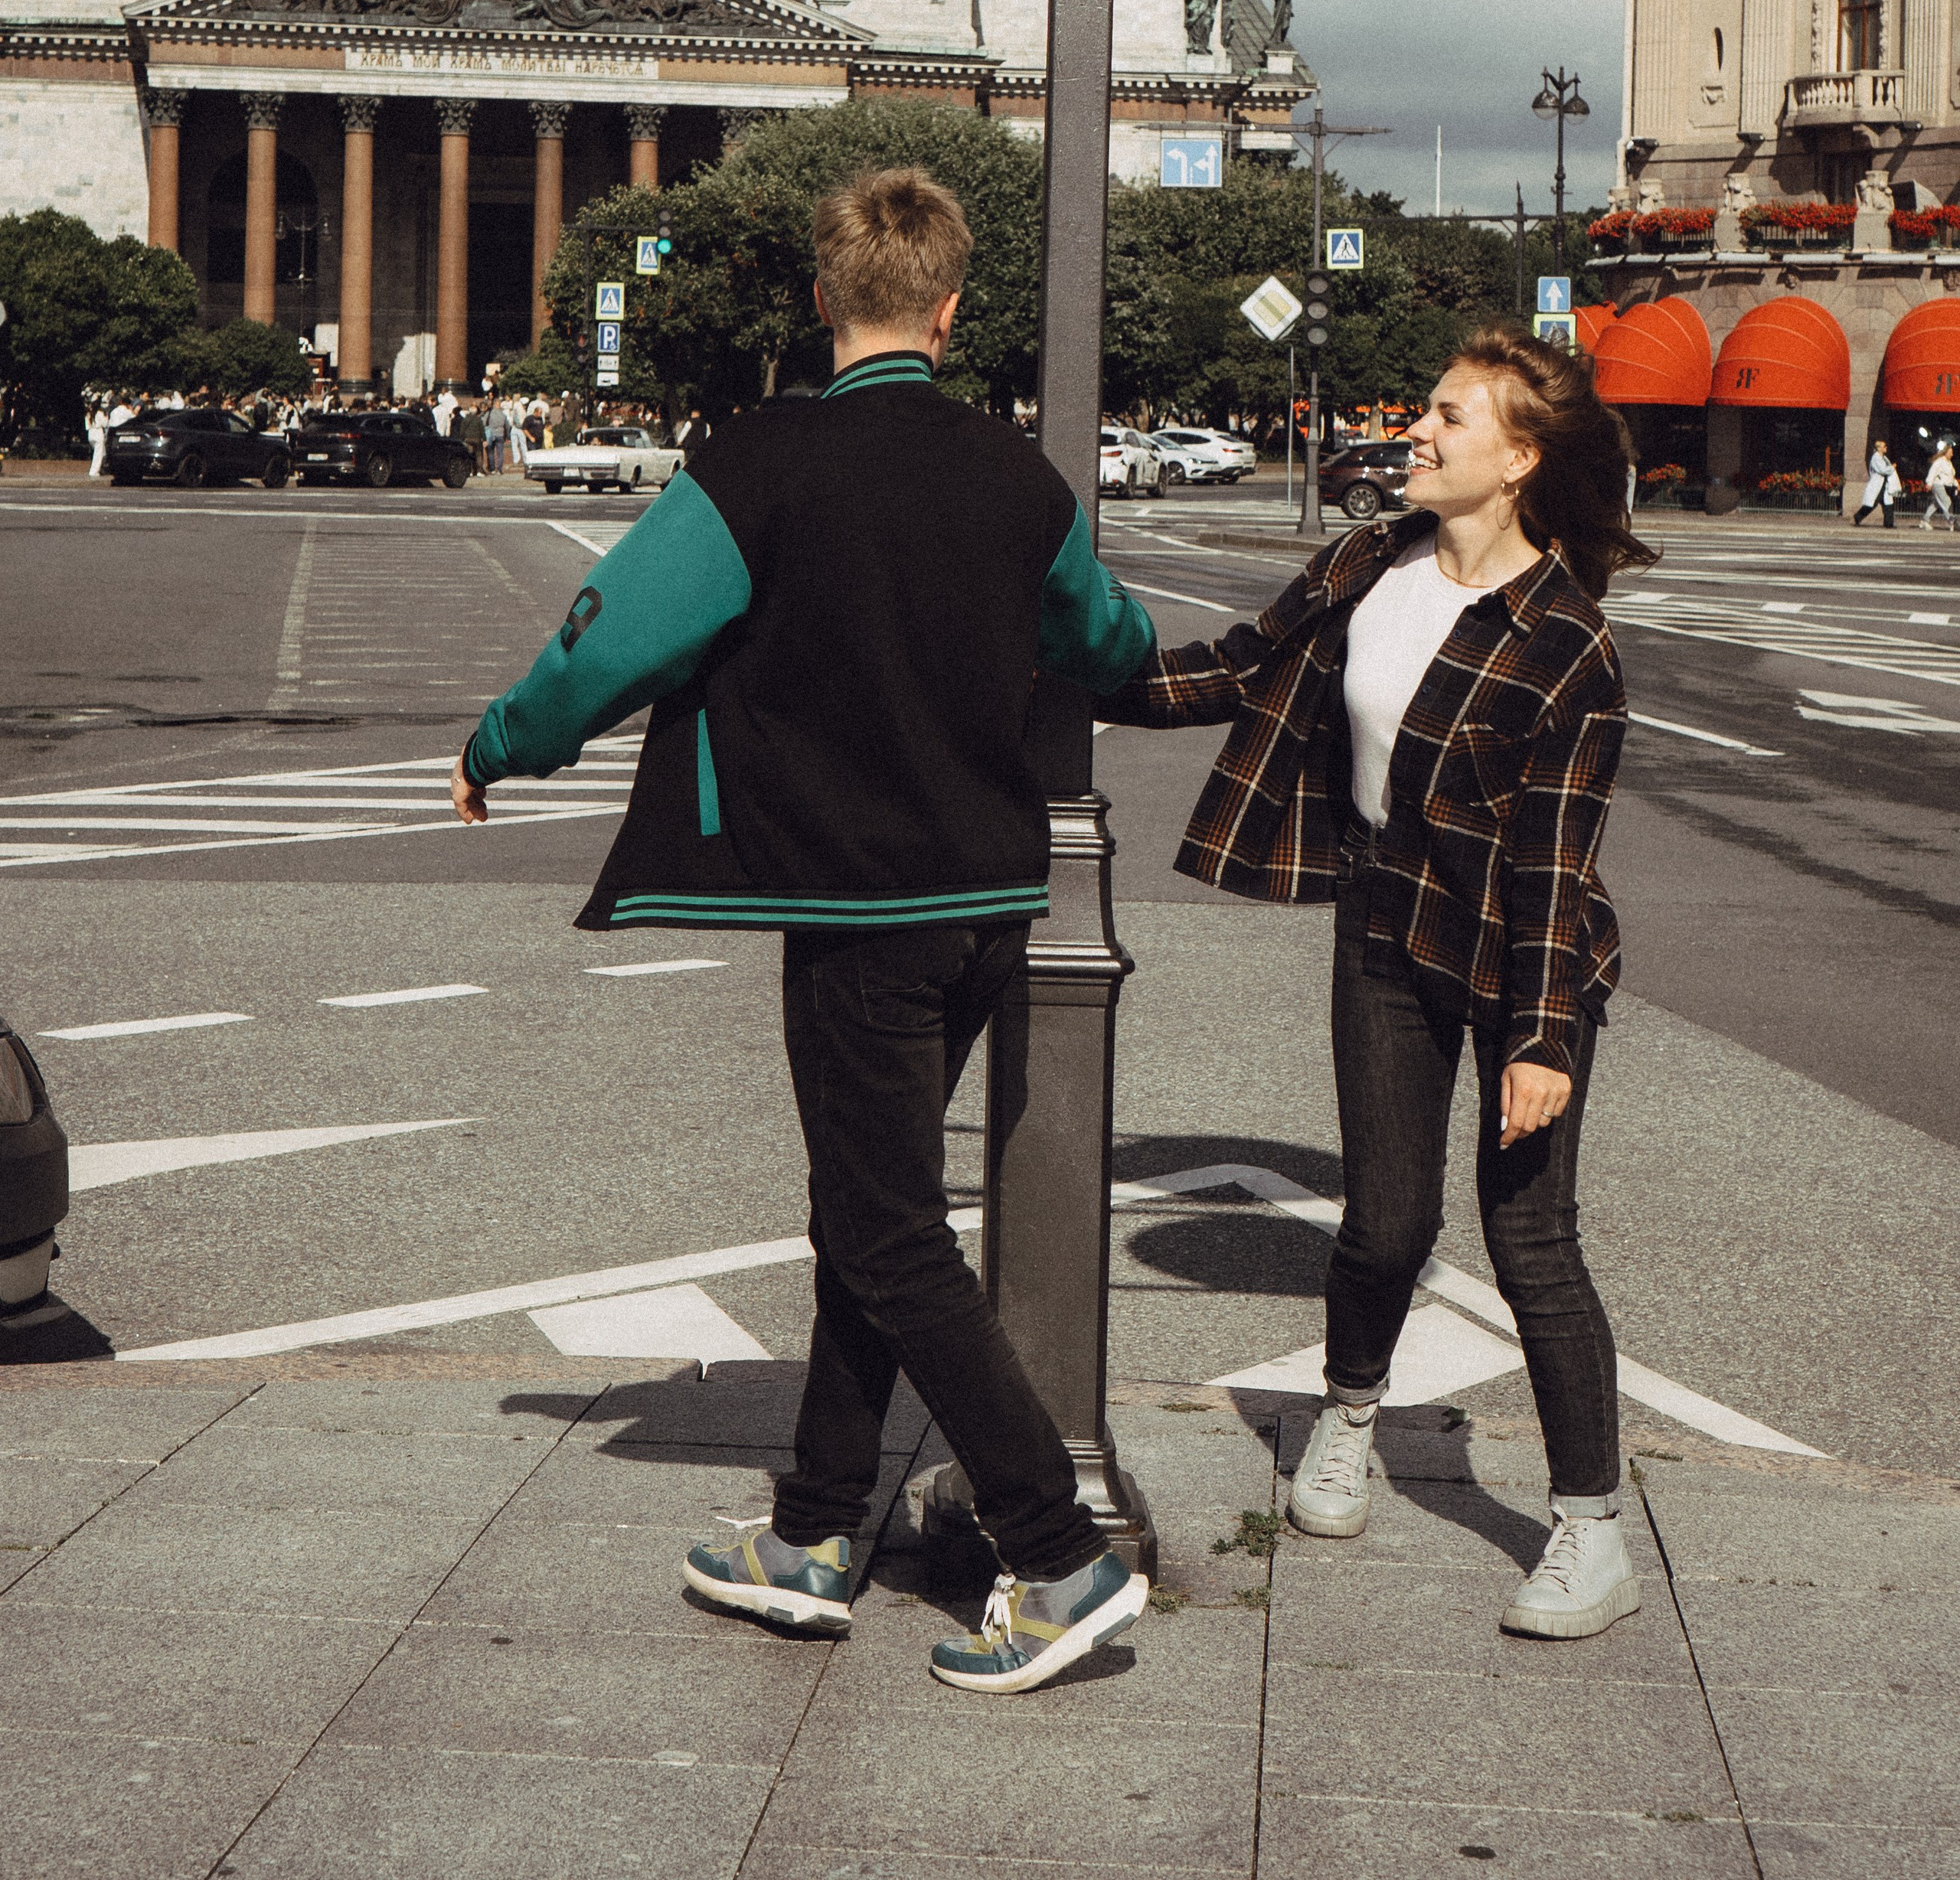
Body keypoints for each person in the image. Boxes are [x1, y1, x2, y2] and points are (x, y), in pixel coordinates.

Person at [449, 167, 1156, 1696]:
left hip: (852, 906)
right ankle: (815, 1531)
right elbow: (1103, 639)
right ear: (952, 309)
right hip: (984, 900)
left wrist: (501, 747)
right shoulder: (1019, 479)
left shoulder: (759, 462)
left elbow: (611, 640)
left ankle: (1055, 1553)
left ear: (822, 299)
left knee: (888, 1229)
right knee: (870, 1205)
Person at [1103, 325, 1657, 1643]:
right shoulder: (1370, 563)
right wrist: (1064, 678)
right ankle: (1348, 1419)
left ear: (1519, 458)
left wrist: (1541, 1041)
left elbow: (1551, 871)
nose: (1416, 430)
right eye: (1427, 409)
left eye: (1449, 417)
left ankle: (1589, 1532)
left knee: (1533, 1242)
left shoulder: (1566, 644)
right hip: (1385, 934)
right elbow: (1241, 667)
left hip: (1524, 961)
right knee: (1384, 1223)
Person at [1854, 439, 1900, 528]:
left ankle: (1889, 524)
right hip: (1877, 485)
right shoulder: (1876, 458)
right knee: (1872, 505)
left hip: (1883, 485)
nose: (1886, 447)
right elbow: (1883, 470)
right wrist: (1892, 467)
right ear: (1879, 448)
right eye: (1884, 446)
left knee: (1888, 504)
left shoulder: (1883, 458)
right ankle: (1858, 516)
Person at [1922, 440, 1956, 530]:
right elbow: (1933, 472)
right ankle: (1951, 520)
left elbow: (1951, 476)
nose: (1952, 454)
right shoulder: (1940, 461)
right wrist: (1929, 483)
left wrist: (1956, 484)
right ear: (1945, 452)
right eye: (1950, 453)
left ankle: (1925, 520)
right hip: (1938, 484)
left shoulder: (1949, 463)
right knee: (1947, 501)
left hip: (1944, 485)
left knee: (1936, 504)